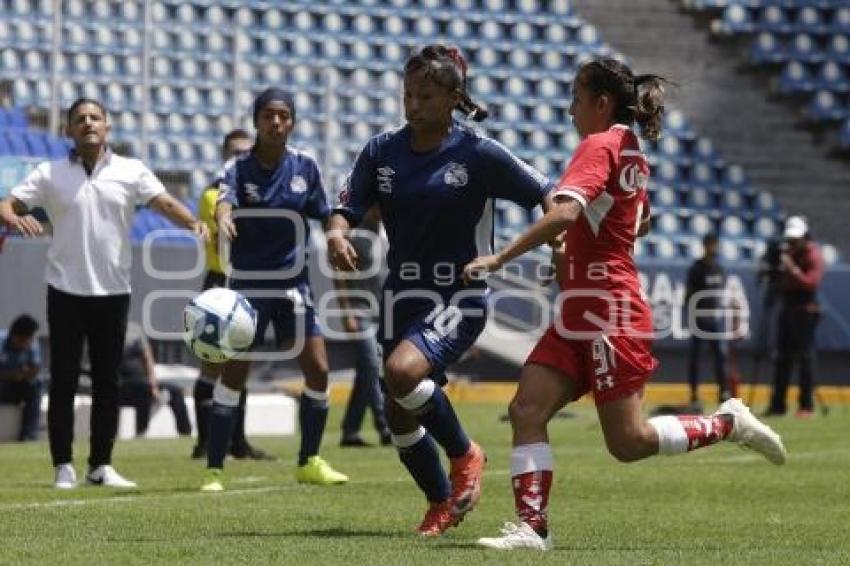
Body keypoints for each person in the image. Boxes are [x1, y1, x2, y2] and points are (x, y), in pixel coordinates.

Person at [462, 58, 787, 551]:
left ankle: (728, 423)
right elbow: (639, 219)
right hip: (582, 307)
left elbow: (564, 211)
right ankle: (533, 529)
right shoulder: (629, 148)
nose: (570, 110)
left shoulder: (599, 144)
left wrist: (502, 257)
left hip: (609, 310)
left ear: (601, 103)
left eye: (576, 98)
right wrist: (580, 251)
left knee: (628, 443)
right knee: (527, 408)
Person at [327, 44, 554, 536]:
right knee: (396, 409)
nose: (412, 105)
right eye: (407, 95)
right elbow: (346, 205)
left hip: (460, 292)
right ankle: (440, 501)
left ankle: (465, 453)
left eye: (425, 96)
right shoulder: (381, 150)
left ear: (454, 98)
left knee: (400, 372)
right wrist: (336, 233)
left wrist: (558, 241)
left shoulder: (478, 152)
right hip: (401, 295)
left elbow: (546, 192)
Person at [0, 98, 208, 489]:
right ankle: (63, 464)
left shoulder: (131, 171)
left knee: (107, 383)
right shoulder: (50, 172)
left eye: (95, 117)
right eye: (79, 119)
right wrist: (11, 216)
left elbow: (162, 201)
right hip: (65, 289)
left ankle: (101, 465)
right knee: (62, 380)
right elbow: (8, 202)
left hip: (113, 291)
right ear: (68, 131)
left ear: (107, 127)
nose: (88, 123)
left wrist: (192, 221)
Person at [201, 88, 347, 492]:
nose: (277, 122)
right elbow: (223, 200)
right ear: (257, 121)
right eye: (269, 115)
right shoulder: (238, 167)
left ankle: (310, 461)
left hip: (293, 285)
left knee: (317, 368)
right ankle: (214, 470)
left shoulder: (306, 166)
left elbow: (326, 213)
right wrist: (225, 216)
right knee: (234, 373)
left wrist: (340, 235)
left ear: (293, 121)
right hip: (247, 285)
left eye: (284, 116)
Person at [191, 128, 274, 461]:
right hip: (220, 281)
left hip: (244, 281)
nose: (239, 158)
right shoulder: (214, 196)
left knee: (239, 363)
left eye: (244, 152)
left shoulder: (249, 192)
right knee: (212, 363)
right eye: (234, 152)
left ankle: (236, 441)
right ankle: (205, 441)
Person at [335, 205, 391, 447]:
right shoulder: (355, 234)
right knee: (371, 364)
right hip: (359, 310)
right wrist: (346, 310)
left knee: (365, 373)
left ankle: (350, 431)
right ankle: (385, 425)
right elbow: (339, 274)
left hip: (382, 310)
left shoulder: (386, 234)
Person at [766, 215, 823, 418]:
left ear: (804, 236)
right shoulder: (786, 253)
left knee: (805, 358)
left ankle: (806, 406)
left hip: (804, 312)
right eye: (789, 239)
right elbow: (777, 279)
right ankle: (777, 405)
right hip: (786, 308)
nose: (791, 243)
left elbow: (812, 282)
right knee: (782, 358)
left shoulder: (813, 254)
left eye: (795, 239)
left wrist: (793, 269)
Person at [119, 321, 192, 437]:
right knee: (144, 389)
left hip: (144, 382)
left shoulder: (135, 329)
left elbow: (148, 358)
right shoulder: (107, 330)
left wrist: (154, 385)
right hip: (121, 385)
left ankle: (185, 432)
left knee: (175, 391)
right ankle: (141, 432)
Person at [684, 233, 730, 405]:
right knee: (696, 357)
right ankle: (694, 394)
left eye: (715, 244)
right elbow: (689, 295)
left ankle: (723, 392)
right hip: (699, 320)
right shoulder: (696, 269)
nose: (713, 248)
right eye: (710, 244)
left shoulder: (720, 268)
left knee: (721, 356)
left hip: (716, 319)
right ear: (704, 246)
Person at [0, 314, 45, 441]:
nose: (28, 343)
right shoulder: (1, 342)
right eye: (25, 339)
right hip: (2, 386)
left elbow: (34, 368)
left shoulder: (32, 345)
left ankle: (28, 435)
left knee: (36, 385)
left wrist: (26, 373)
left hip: (17, 388)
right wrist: (11, 375)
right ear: (15, 336)